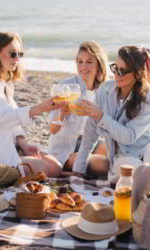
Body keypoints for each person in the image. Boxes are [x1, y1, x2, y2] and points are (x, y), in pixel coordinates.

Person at [0, 32, 66, 178]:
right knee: (43, 168)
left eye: (20, 54)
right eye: (12, 54)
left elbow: (14, 123)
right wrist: (41, 108)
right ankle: (6, 171)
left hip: (8, 148)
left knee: (56, 167)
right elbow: (4, 116)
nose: (17, 59)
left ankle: (17, 165)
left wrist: (23, 144)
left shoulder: (5, 83)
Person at [71, 45, 150, 183]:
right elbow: (90, 133)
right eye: (115, 68)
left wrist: (101, 116)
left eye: (123, 71)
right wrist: (78, 170)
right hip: (123, 154)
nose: (117, 75)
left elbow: (129, 136)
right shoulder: (104, 90)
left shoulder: (149, 99)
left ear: (137, 74)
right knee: (132, 172)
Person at [48, 41, 108, 173]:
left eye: (89, 62)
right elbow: (52, 129)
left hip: (91, 143)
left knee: (116, 155)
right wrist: (62, 113)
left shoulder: (103, 90)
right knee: (105, 165)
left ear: (99, 64)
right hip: (67, 151)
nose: (83, 67)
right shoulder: (66, 86)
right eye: (80, 61)